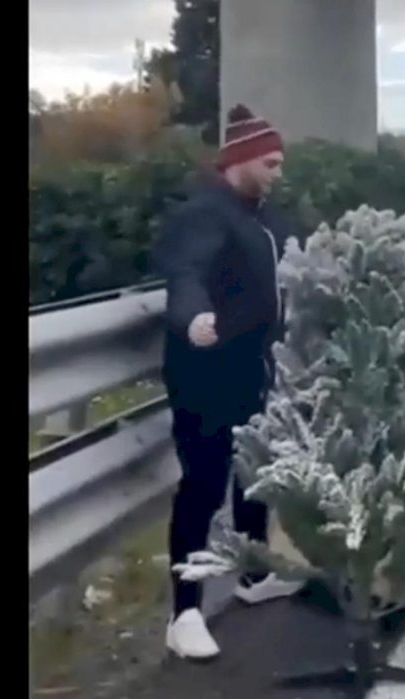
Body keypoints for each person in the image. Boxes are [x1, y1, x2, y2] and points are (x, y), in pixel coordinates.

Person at [154, 103, 305, 661]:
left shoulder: (269, 218)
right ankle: (184, 611)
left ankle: (252, 574)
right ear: (239, 161)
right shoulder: (204, 216)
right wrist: (193, 318)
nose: (278, 170)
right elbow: (185, 273)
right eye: (269, 161)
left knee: (254, 475)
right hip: (204, 374)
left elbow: (303, 270)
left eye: (280, 161)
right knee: (203, 484)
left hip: (257, 372)